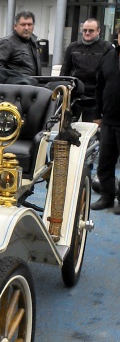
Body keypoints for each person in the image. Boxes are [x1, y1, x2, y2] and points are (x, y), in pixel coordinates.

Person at [60, 18, 114, 121]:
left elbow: (110, 74)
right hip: (74, 94)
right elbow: (65, 71)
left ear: (98, 31)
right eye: (84, 30)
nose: (87, 33)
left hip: (95, 96)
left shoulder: (107, 48)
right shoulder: (72, 47)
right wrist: (63, 92)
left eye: (91, 31)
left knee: (91, 130)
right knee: (67, 128)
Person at [90, 25, 120, 213]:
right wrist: (97, 114)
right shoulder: (108, 57)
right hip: (109, 119)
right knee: (105, 162)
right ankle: (107, 197)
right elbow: (99, 87)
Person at [0, 11, 41, 83]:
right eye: (23, 24)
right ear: (15, 26)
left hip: (34, 85)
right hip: (17, 89)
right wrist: (17, 80)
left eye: (29, 24)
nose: (26, 28)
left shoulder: (33, 42)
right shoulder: (7, 43)